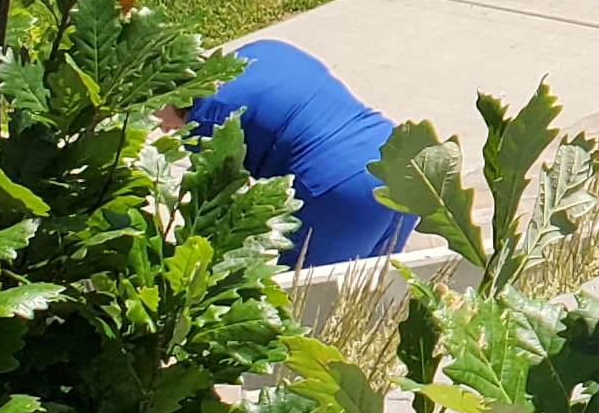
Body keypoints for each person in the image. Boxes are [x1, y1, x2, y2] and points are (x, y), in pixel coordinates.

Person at [179, 40, 426, 269]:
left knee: (308, 302)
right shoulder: (262, 50)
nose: (162, 127)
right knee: (373, 286)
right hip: (401, 157)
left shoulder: (205, 120)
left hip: (339, 188)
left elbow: (224, 214)